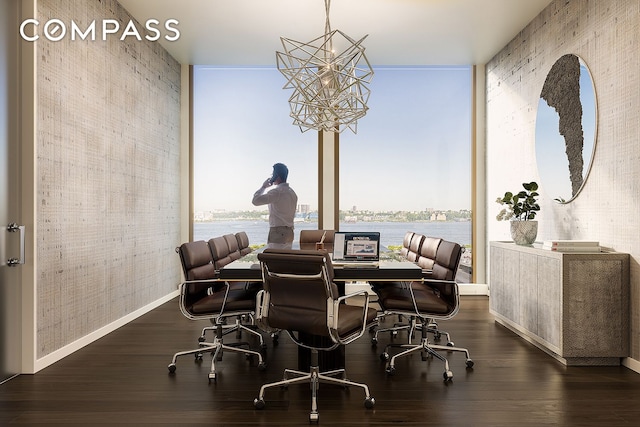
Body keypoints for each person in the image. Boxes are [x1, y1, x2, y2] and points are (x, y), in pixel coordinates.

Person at [252, 163, 298, 249]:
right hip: (290, 232)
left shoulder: (277, 192)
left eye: (273, 174)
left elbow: (255, 201)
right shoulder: (292, 193)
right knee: (285, 259)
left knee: (274, 259)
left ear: (277, 176)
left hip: (278, 232)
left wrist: (263, 187)